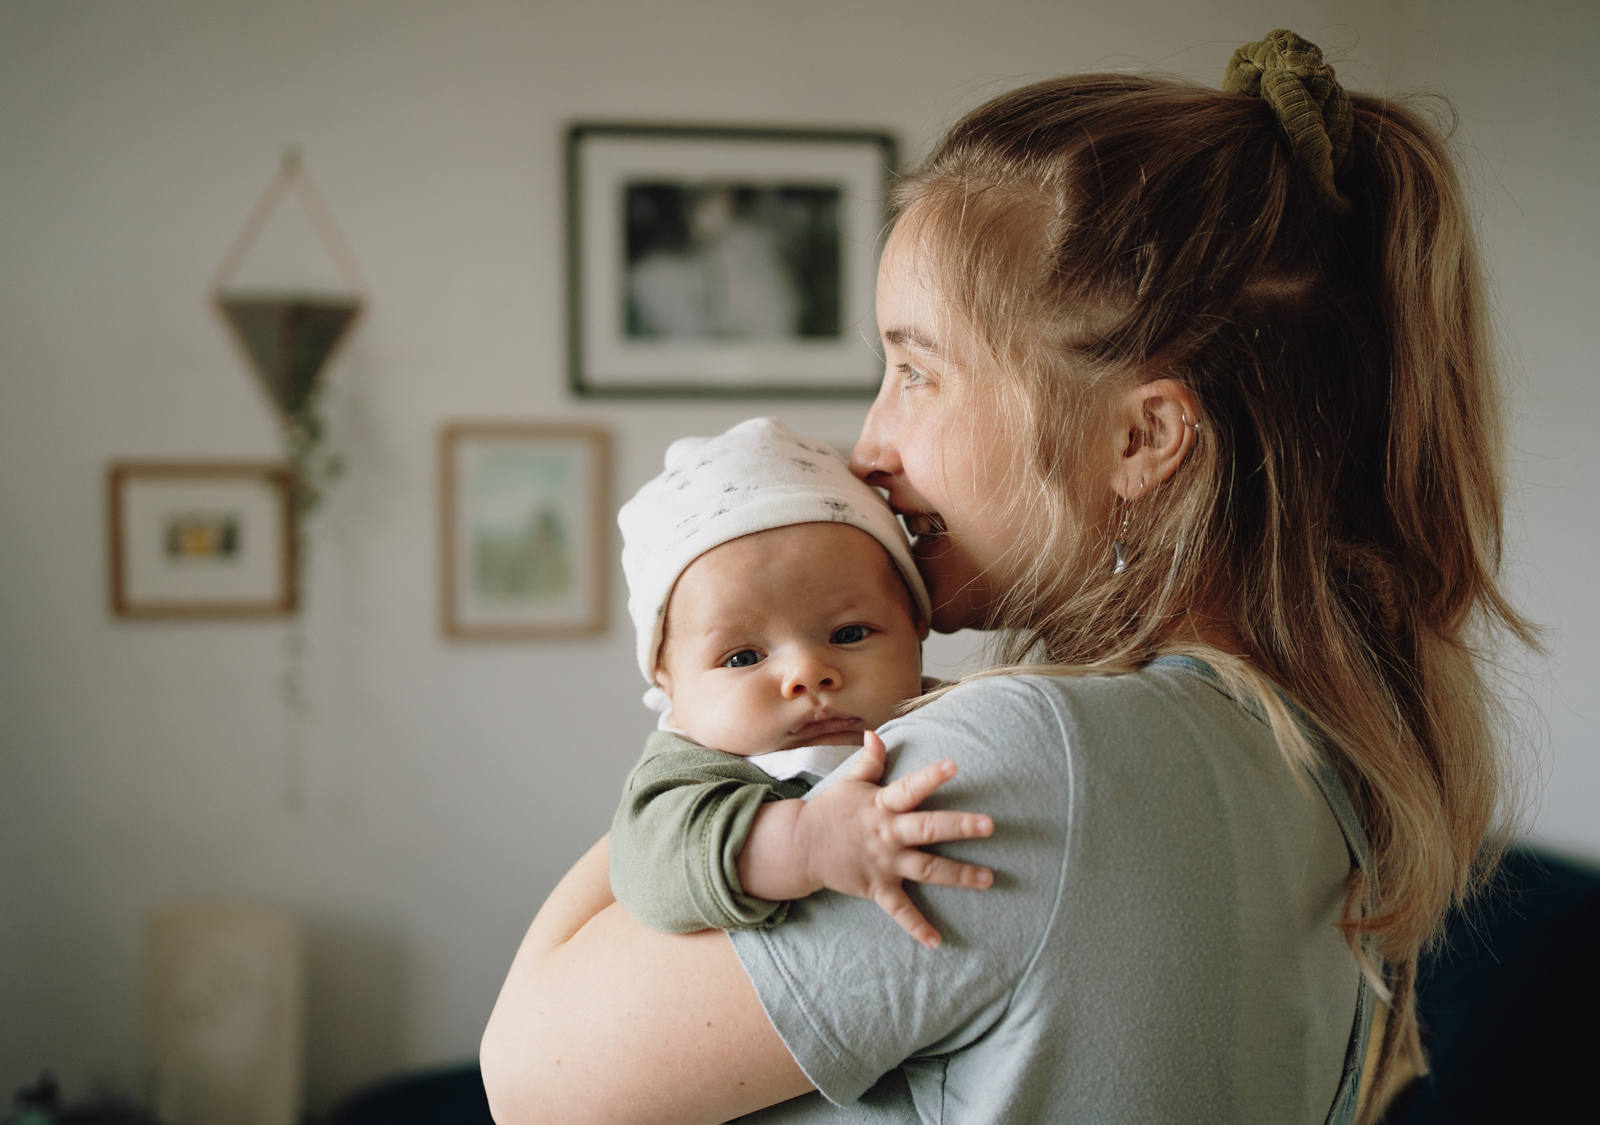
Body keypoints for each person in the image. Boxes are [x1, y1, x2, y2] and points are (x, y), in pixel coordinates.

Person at [481, 29, 1533, 1124]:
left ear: (1142, 438)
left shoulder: (1033, 761)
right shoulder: (1313, 756)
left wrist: (697, 724)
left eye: (915, 370)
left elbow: (529, 1078)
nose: (868, 447)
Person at [608, 416, 994, 948]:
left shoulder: (956, 716)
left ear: (915, 627)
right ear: (667, 681)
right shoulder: (689, 772)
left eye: (849, 633)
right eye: (743, 657)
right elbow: (646, 871)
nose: (808, 673)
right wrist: (807, 842)